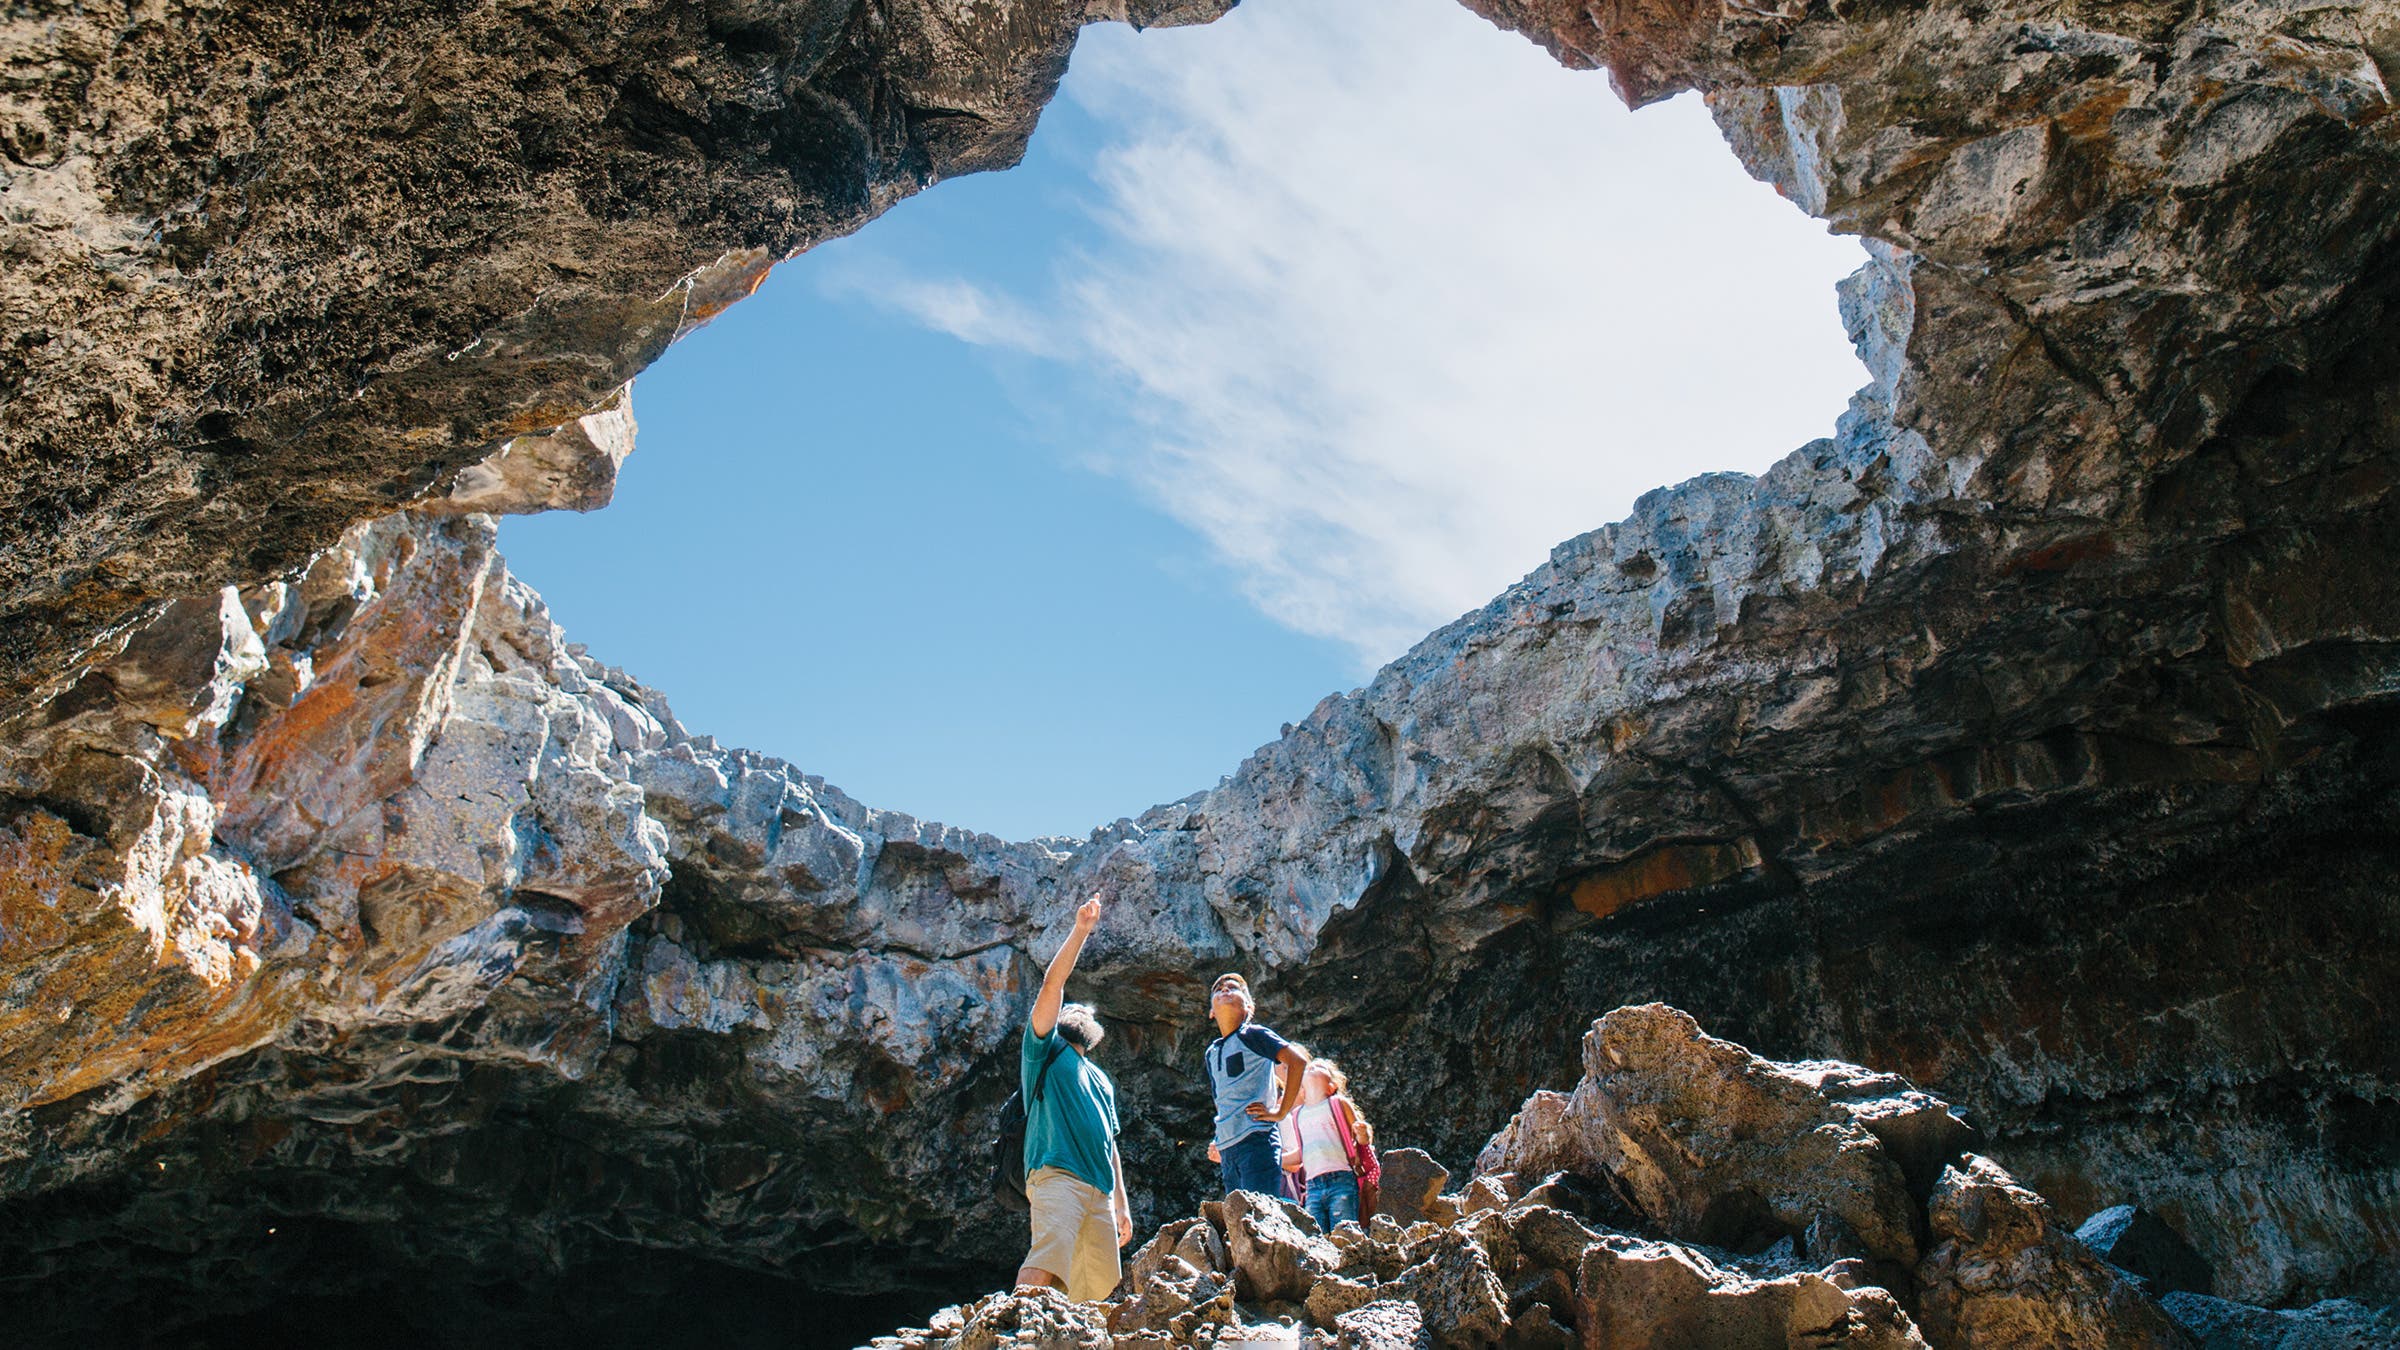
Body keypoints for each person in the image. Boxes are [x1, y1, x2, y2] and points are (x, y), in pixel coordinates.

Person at [1017, 896, 1134, 1302]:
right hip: (1057, 1176)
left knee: (1101, 1297)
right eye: (1075, 1008)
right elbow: (1054, 985)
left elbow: (1110, 1142)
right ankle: (1013, 1334)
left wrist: (1121, 1203)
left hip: (1099, 1191)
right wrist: (1081, 930)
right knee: (1046, 1264)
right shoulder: (1045, 1051)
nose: (1082, 1011)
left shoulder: (1101, 1079)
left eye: (1089, 1011)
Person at [1201, 972, 1308, 1198]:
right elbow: (1221, 1098)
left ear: (1248, 1007)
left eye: (1232, 988)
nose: (1225, 991)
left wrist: (1280, 1112)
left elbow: (1297, 1062)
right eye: (1218, 990)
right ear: (1211, 1012)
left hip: (1257, 1137)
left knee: (1260, 1211)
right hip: (1228, 1145)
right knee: (1238, 1212)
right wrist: (1219, 1137)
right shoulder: (1212, 1052)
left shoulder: (1253, 1035)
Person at [1278, 1056, 1374, 1231]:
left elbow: (1360, 1141)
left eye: (1320, 1067)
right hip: (1312, 1185)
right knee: (1315, 1235)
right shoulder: (1298, 1114)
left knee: (1344, 1231)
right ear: (1301, 1090)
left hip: (1341, 1178)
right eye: (1309, 1067)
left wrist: (1362, 1133)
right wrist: (1274, 1157)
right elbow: (1301, 1154)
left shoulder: (1337, 1104)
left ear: (1331, 1087)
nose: (1311, 1067)